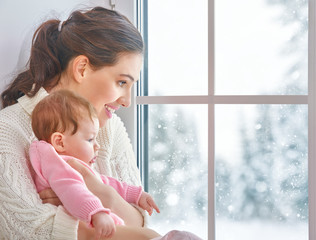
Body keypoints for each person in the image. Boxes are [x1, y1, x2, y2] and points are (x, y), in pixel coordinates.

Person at [0, 6, 202, 240]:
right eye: (122, 83)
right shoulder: (7, 131)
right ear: (82, 69)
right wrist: (93, 211)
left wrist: (99, 194)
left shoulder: (110, 129)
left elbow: (141, 220)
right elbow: (30, 231)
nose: (127, 101)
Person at [30, 89, 160, 239]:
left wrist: (135, 194)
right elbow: (72, 189)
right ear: (59, 142)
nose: (97, 146)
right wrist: (96, 213)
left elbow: (104, 183)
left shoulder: (71, 163)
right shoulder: (58, 164)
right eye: (90, 139)